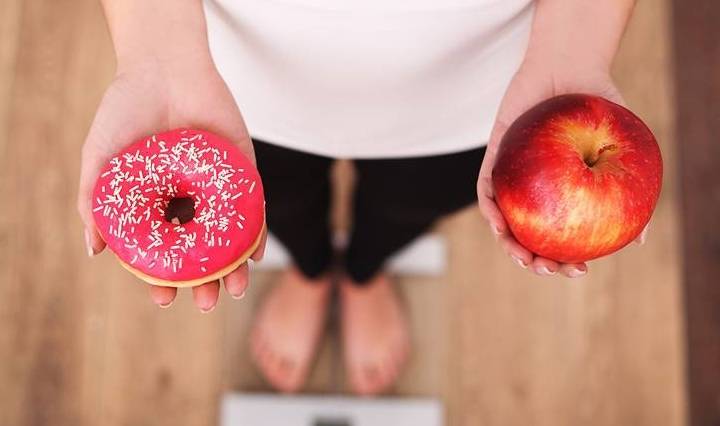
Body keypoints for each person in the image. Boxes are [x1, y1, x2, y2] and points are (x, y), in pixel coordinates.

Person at [78, 0, 644, 396]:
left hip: (485, 84)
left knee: (410, 203)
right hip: (221, 74)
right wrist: (154, 51)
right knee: (278, 199)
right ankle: (310, 267)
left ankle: (366, 270)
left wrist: (576, 46)